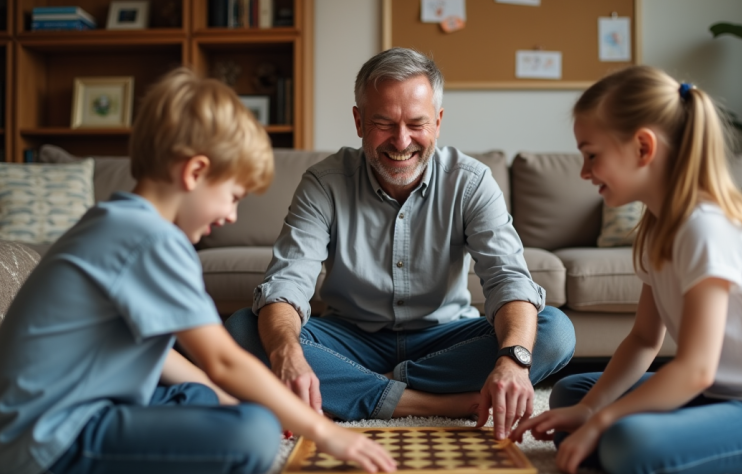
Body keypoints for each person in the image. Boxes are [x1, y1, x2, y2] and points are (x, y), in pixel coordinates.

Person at [0, 68, 395, 474]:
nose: (231, 215)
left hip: (21, 431)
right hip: (47, 444)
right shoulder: (152, 240)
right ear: (195, 172)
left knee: (212, 398)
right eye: (232, 197)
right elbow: (223, 360)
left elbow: (164, 357)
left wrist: (230, 399)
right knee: (254, 432)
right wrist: (325, 433)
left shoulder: (113, 220)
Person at [225, 48, 575, 440]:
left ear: (438, 122)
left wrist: (512, 362)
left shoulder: (472, 181)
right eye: (384, 123)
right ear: (358, 121)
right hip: (351, 338)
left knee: (553, 332)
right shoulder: (323, 183)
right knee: (244, 330)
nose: (401, 140)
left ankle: (359, 388)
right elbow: (287, 285)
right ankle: (433, 403)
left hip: (444, 340)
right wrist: (288, 353)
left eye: (416, 123)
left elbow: (509, 280)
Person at [510, 65, 742, 474]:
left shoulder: (706, 228)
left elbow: (695, 368)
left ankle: (623, 439)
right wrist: (592, 411)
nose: (584, 172)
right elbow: (645, 338)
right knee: (575, 393)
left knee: (625, 440)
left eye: (592, 155)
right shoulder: (656, 229)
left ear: (643, 148)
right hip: (721, 391)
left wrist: (602, 421)